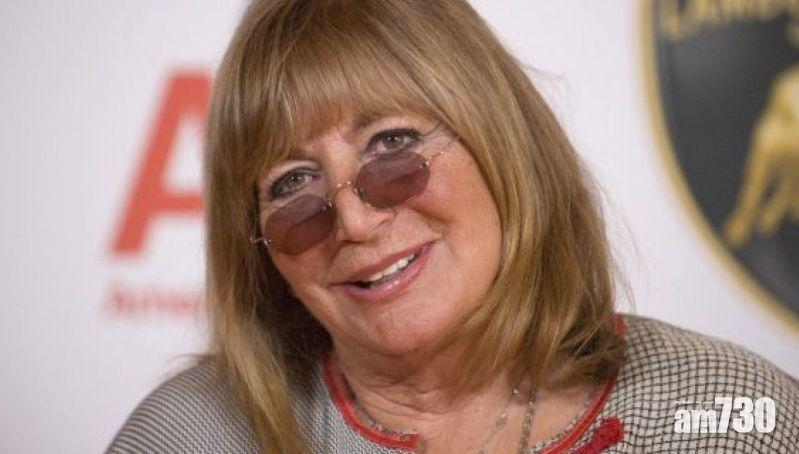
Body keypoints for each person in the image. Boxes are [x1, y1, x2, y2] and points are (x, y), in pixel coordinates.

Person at [107, 1, 798, 453]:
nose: (353, 220)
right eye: (292, 184)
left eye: (391, 145)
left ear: (500, 144)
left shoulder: (729, 412)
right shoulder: (190, 435)